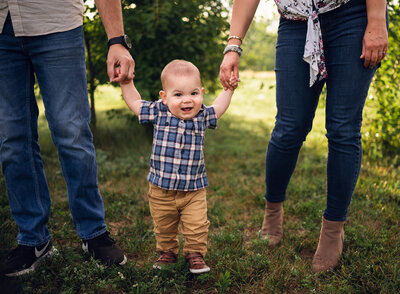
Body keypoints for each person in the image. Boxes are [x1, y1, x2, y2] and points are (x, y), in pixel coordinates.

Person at [220, 0, 388, 272]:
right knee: (289, 127)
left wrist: (377, 19)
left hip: (353, 16)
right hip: (295, 22)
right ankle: (272, 212)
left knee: (343, 129)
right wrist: (233, 45)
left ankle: (333, 230)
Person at [0, 0, 135, 277]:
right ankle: (34, 240)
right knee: (12, 140)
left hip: (57, 23)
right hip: (2, 30)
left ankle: (93, 233)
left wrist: (117, 40)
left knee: (71, 132)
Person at [119, 60, 236, 274]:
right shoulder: (158, 112)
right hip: (161, 189)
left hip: (193, 190)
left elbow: (218, 107)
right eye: (178, 95)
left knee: (197, 225)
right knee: (163, 226)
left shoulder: (202, 116)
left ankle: (195, 254)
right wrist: (126, 83)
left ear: (201, 93)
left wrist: (228, 89)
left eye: (193, 93)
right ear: (164, 98)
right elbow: (136, 103)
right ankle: (167, 253)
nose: (187, 100)